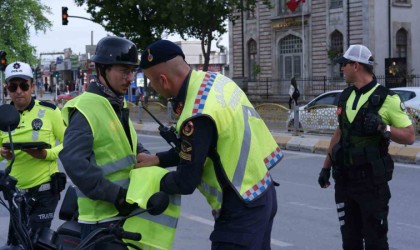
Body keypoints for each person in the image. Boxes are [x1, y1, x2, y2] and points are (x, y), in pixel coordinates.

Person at [136, 40, 283, 249]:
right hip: (261, 192)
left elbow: (186, 181)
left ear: (163, 79)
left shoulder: (197, 114)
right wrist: (158, 159)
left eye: (152, 82)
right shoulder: (215, 82)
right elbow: (201, 148)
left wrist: (150, 181)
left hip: (240, 211)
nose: (154, 88)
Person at [317, 44, 415, 250]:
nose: (341, 68)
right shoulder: (345, 96)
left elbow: (409, 136)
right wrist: (326, 167)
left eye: (344, 64)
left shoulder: (387, 98)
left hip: (371, 184)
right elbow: (340, 132)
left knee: (375, 243)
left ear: (356, 66)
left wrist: (383, 126)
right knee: (350, 243)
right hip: (345, 182)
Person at [58, 36, 151, 248]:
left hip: (123, 213)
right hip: (100, 220)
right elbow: (74, 161)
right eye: (124, 71)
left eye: (132, 71)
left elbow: (125, 144)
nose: (130, 78)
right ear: (102, 70)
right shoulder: (87, 107)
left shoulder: (117, 102)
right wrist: (116, 196)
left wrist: (146, 155)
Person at [0, 61, 66, 246]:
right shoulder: (2, 116)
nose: (18, 91)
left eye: (23, 85)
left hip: (44, 191)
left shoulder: (50, 111)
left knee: (37, 243)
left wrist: (47, 154)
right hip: (14, 194)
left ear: (32, 86)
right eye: (13, 86)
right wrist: (3, 153)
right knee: (15, 243)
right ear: (7, 88)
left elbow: (69, 143)